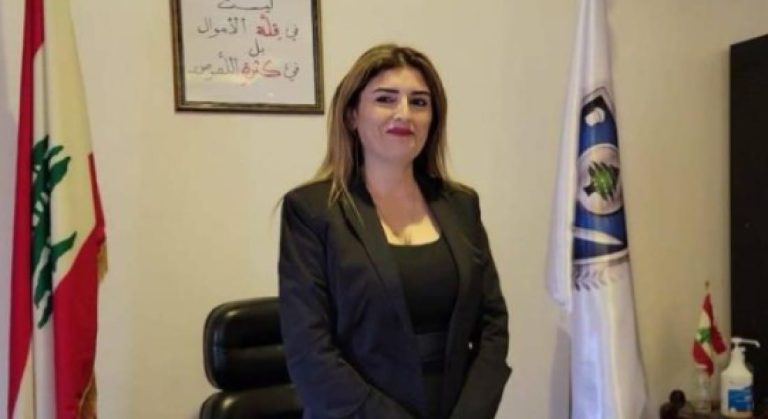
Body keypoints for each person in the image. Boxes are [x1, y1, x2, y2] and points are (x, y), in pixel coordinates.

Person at [278, 44, 511, 419]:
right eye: (385, 99)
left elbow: (492, 326)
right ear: (352, 115)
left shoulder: (461, 205)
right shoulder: (312, 212)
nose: (404, 113)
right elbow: (310, 353)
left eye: (419, 102)